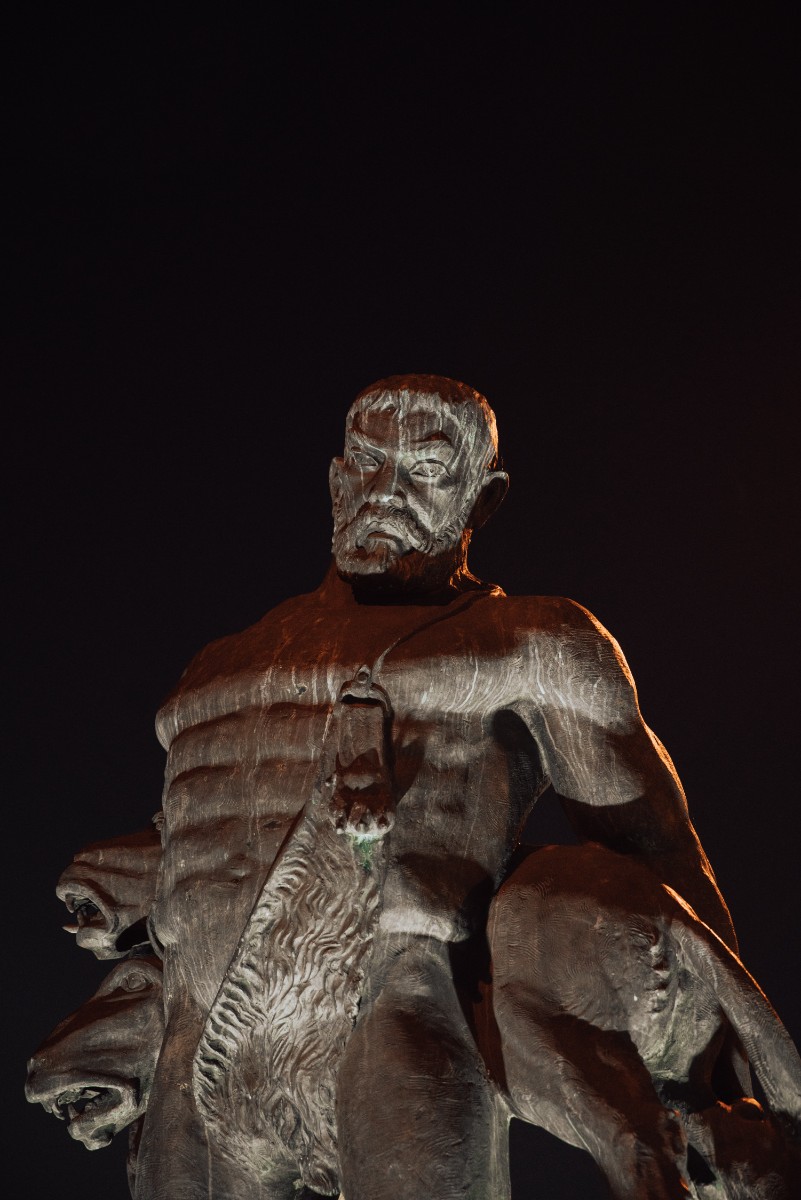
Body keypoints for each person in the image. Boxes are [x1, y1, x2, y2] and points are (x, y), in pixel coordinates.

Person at [138, 374, 740, 1200]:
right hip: (199, 1033)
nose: (385, 490)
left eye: (423, 468)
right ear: (336, 480)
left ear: (481, 499)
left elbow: (657, 851)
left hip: (400, 1002)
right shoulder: (218, 664)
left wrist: (715, 1088)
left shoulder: (534, 642)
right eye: (366, 462)